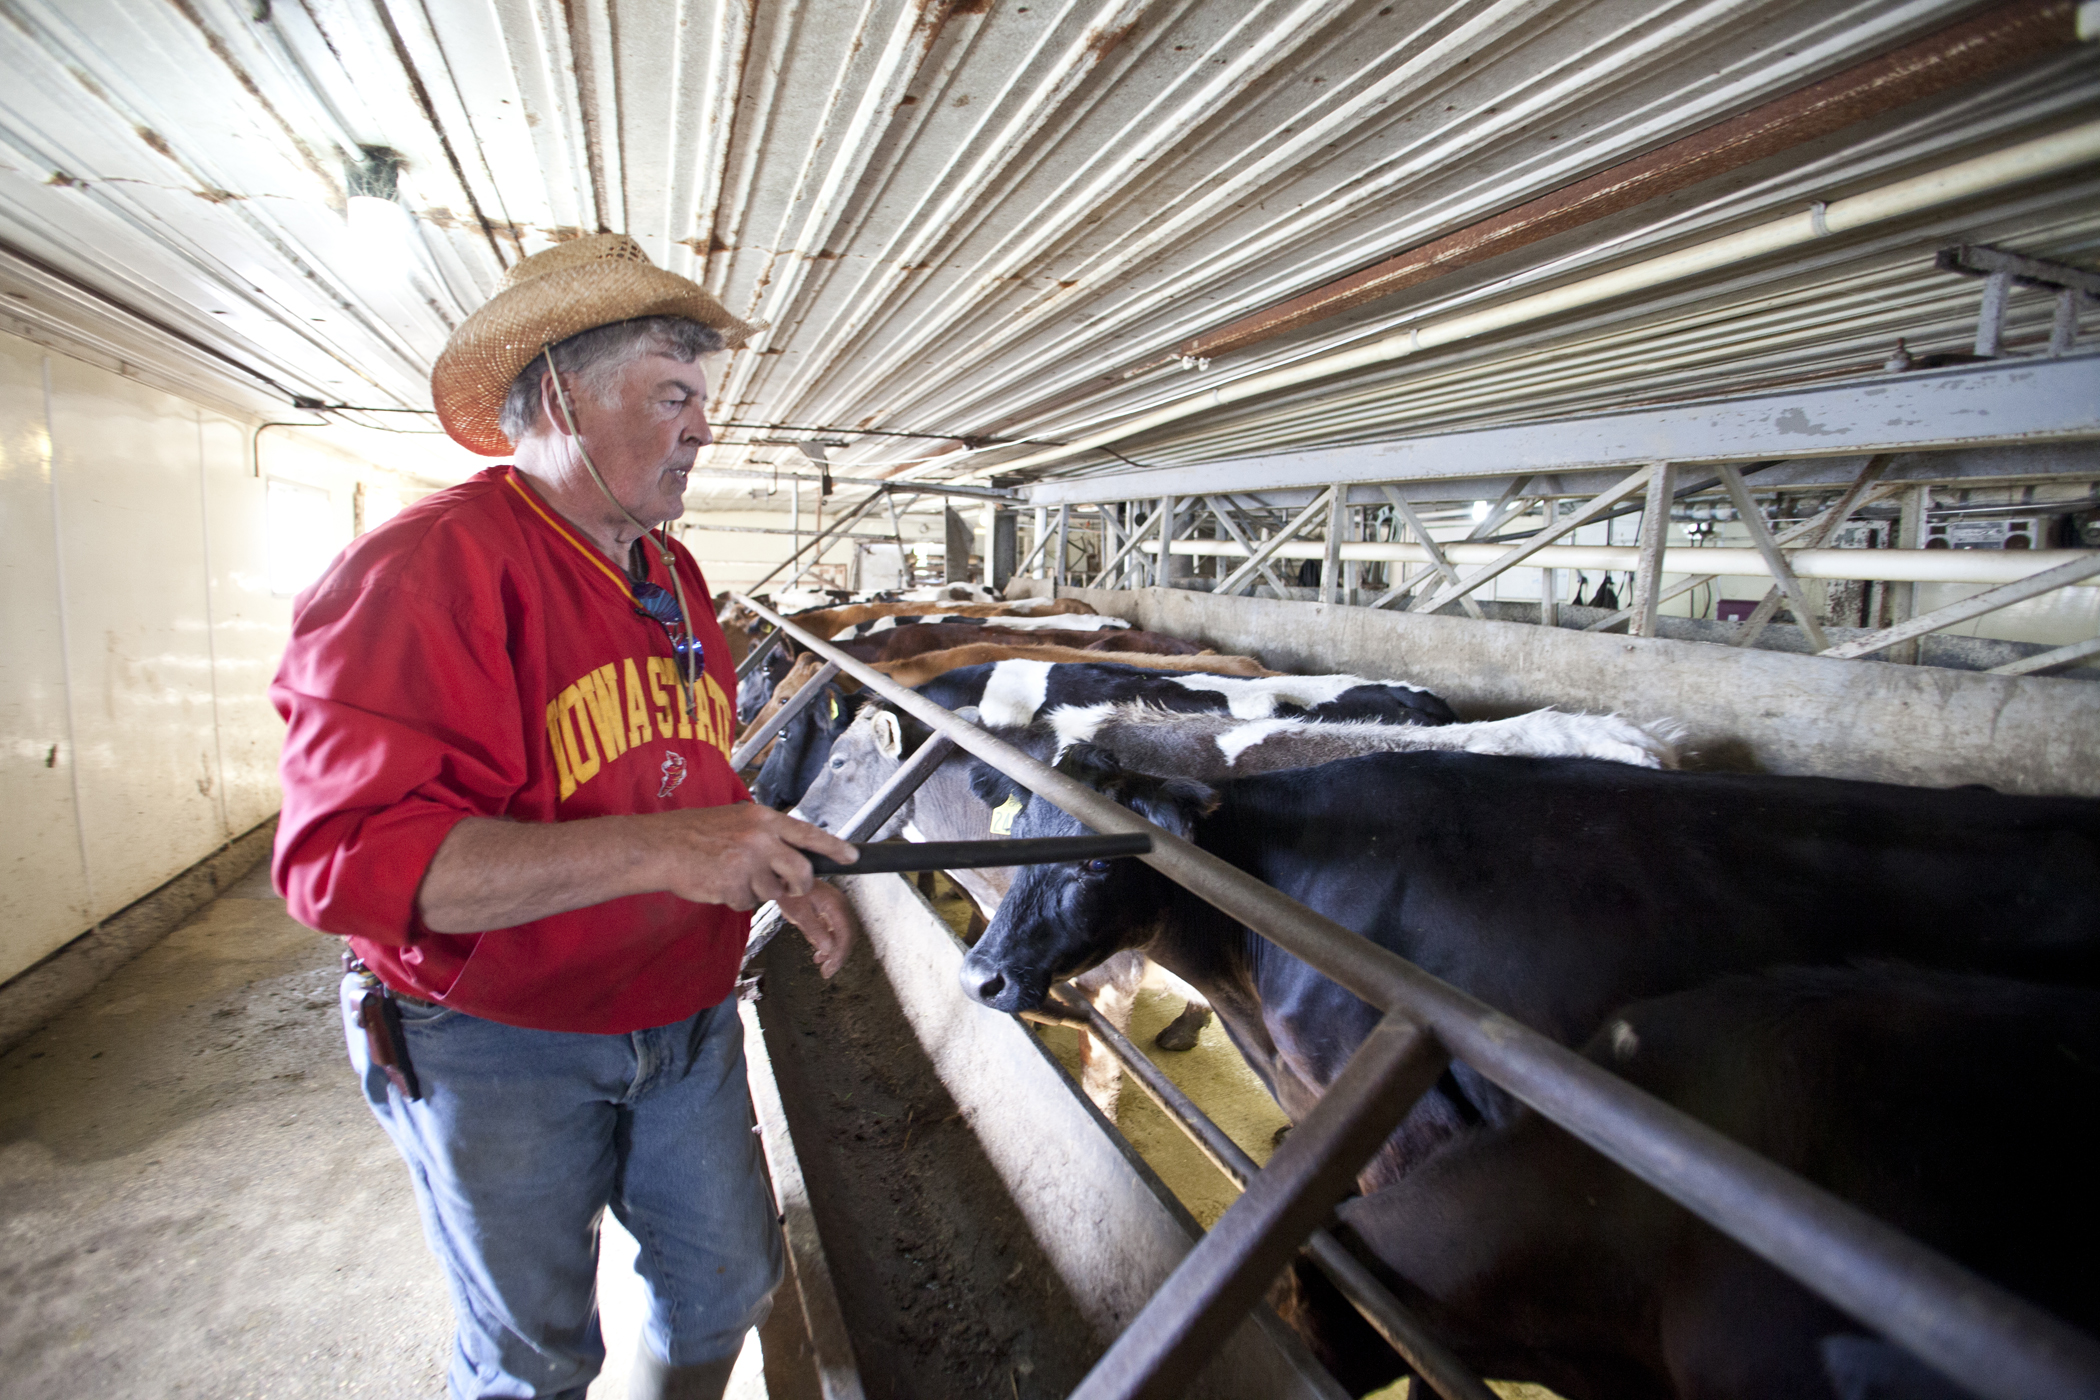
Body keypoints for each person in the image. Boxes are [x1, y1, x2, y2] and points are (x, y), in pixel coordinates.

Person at [271, 233, 860, 1400]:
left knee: (729, 1286)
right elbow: (344, 861)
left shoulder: (674, 577)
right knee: (536, 1352)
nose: (703, 428)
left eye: (704, 399)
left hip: (683, 1011)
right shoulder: (421, 573)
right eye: (672, 394)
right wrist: (671, 849)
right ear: (556, 395)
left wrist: (768, 852)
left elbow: (677, 773)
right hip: (494, 1033)